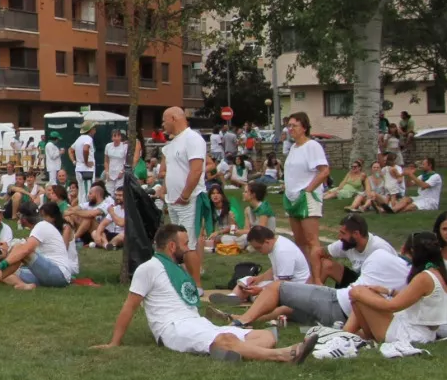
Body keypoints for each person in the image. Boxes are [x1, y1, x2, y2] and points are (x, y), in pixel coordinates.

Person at [97, 224, 316, 362]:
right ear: (172, 247)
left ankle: (232, 351)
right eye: (185, 244)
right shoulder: (149, 268)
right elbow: (129, 306)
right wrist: (114, 343)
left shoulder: (177, 269)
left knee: (266, 335)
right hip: (172, 328)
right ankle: (284, 355)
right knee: (226, 337)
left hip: (195, 321)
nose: (188, 248)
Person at [230, 215, 412, 330]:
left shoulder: (381, 251)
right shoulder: (411, 277)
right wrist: (317, 280)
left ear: (356, 234)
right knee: (291, 305)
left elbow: (382, 294)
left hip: (343, 300)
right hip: (348, 297)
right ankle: (246, 318)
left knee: (277, 289)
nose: (339, 237)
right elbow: (318, 253)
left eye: (342, 233)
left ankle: (242, 321)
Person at [343, 232, 447, 346]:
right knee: (363, 294)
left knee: (358, 293)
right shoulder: (446, 276)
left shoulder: (424, 277)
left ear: (414, 252)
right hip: (424, 332)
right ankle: (350, 333)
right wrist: (388, 292)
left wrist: (359, 293)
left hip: (410, 334)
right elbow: (419, 301)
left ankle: (348, 334)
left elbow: (392, 306)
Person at [0, 201, 77, 291]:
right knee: (7, 272)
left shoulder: (41, 226)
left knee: (19, 249)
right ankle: (23, 285)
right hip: (47, 273)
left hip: (59, 275)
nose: (18, 219)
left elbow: (25, 251)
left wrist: (1, 265)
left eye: (19, 216)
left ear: (24, 218)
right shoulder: (40, 227)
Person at [159, 106, 207, 284]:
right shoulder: (171, 144)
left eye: (164, 120)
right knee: (177, 243)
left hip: (190, 200)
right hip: (173, 201)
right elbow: (170, 172)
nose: (163, 124)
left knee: (189, 244)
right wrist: (164, 195)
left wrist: (185, 195)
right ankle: (182, 279)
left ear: (173, 118)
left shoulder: (193, 139)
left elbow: (196, 170)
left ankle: (197, 284)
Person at [282, 112, 330, 280]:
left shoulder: (312, 146)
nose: (290, 129)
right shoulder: (293, 148)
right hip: (291, 197)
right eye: (289, 126)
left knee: (312, 240)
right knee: (300, 241)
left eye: (294, 126)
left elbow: (324, 171)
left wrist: (308, 190)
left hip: (306, 198)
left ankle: (317, 278)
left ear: (304, 127)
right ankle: (307, 275)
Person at [69, 123, 97, 201]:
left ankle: (81, 209)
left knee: (81, 192)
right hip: (87, 170)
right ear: (91, 130)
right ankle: (86, 209)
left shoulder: (79, 138)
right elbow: (85, 149)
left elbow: (70, 150)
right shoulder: (88, 138)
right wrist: (86, 162)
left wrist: (74, 161)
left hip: (79, 168)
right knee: (88, 191)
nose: (95, 131)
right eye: (94, 129)